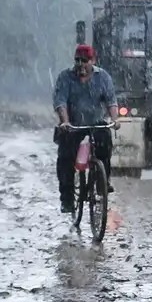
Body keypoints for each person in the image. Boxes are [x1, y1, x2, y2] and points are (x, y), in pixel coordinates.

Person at [53, 44, 120, 214]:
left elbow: (111, 101)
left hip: (96, 123)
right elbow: (60, 102)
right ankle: (67, 199)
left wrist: (115, 119)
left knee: (105, 144)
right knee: (65, 159)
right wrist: (65, 122)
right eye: (78, 60)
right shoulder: (65, 77)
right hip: (73, 125)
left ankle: (102, 182)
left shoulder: (103, 77)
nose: (81, 64)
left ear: (93, 61)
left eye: (85, 61)